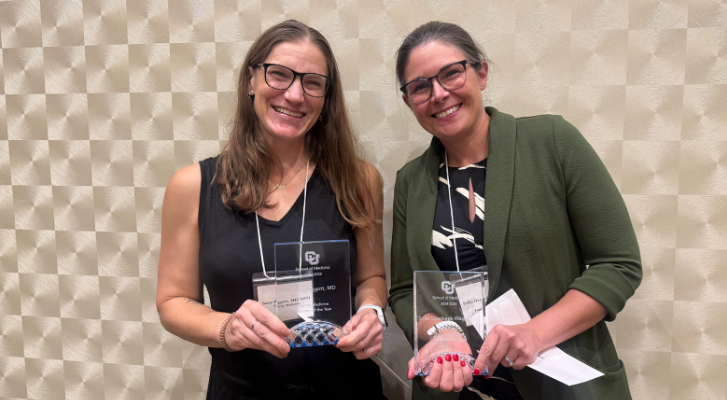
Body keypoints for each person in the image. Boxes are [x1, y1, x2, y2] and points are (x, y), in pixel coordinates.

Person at [388, 21, 642, 399]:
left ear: (481, 73)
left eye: (451, 74)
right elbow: (406, 290)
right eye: (420, 87)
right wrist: (442, 334)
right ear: (409, 101)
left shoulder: (551, 142)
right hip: (455, 386)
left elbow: (618, 264)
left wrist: (534, 333)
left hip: (560, 384)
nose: (439, 94)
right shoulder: (411, 181)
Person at [156, 20, 388, 400]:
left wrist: (372, 312)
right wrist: (226, 327)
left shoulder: (359, 179)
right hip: (243, 390)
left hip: (348, 388)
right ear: (252, 80)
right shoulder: (192, 186)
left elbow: (372, 278)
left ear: (327, 96)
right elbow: (172, 302)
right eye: (279, 75)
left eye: (312, 82)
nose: (295, 95)